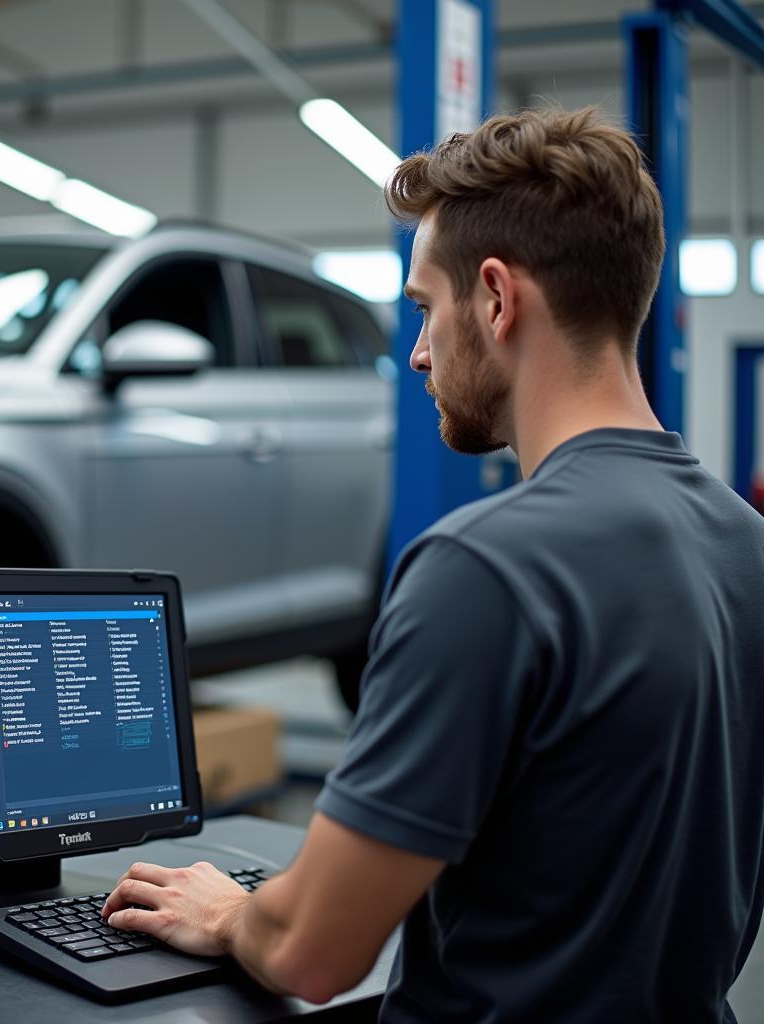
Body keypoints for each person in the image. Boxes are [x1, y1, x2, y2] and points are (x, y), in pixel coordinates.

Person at [101, 107, 764, 1022]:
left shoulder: (487, 568)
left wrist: (233, 914)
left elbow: (311, 954)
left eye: (424, 308)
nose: (417, 353)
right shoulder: (745, 543)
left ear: (495, 299)